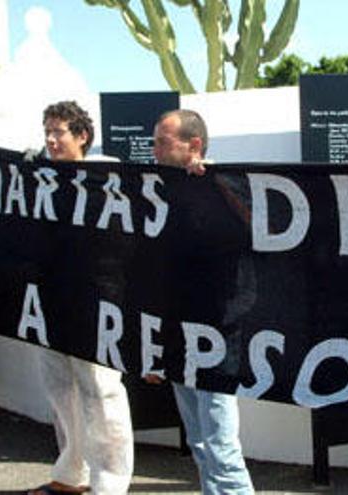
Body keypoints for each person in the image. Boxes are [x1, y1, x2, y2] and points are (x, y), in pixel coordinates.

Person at [145, 109, 254, 495]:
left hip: (217, 335)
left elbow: (255, 230)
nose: (153, 149)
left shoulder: (225, 186)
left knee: (220, 445)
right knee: (201, 444)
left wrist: (215, 183)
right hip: (178, 336)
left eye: (162, 141)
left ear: (193, 144)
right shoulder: (160, 190)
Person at [28, 101, 134, 495]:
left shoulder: (109, 175)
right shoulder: (39, 177)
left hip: (97, 299)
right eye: (48, 133)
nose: (52, 140)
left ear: (82, 136)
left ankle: (110, 482)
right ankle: (73, 472)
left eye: (59, 132)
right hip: (51, 299)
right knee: (60, 388)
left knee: (100, 390)